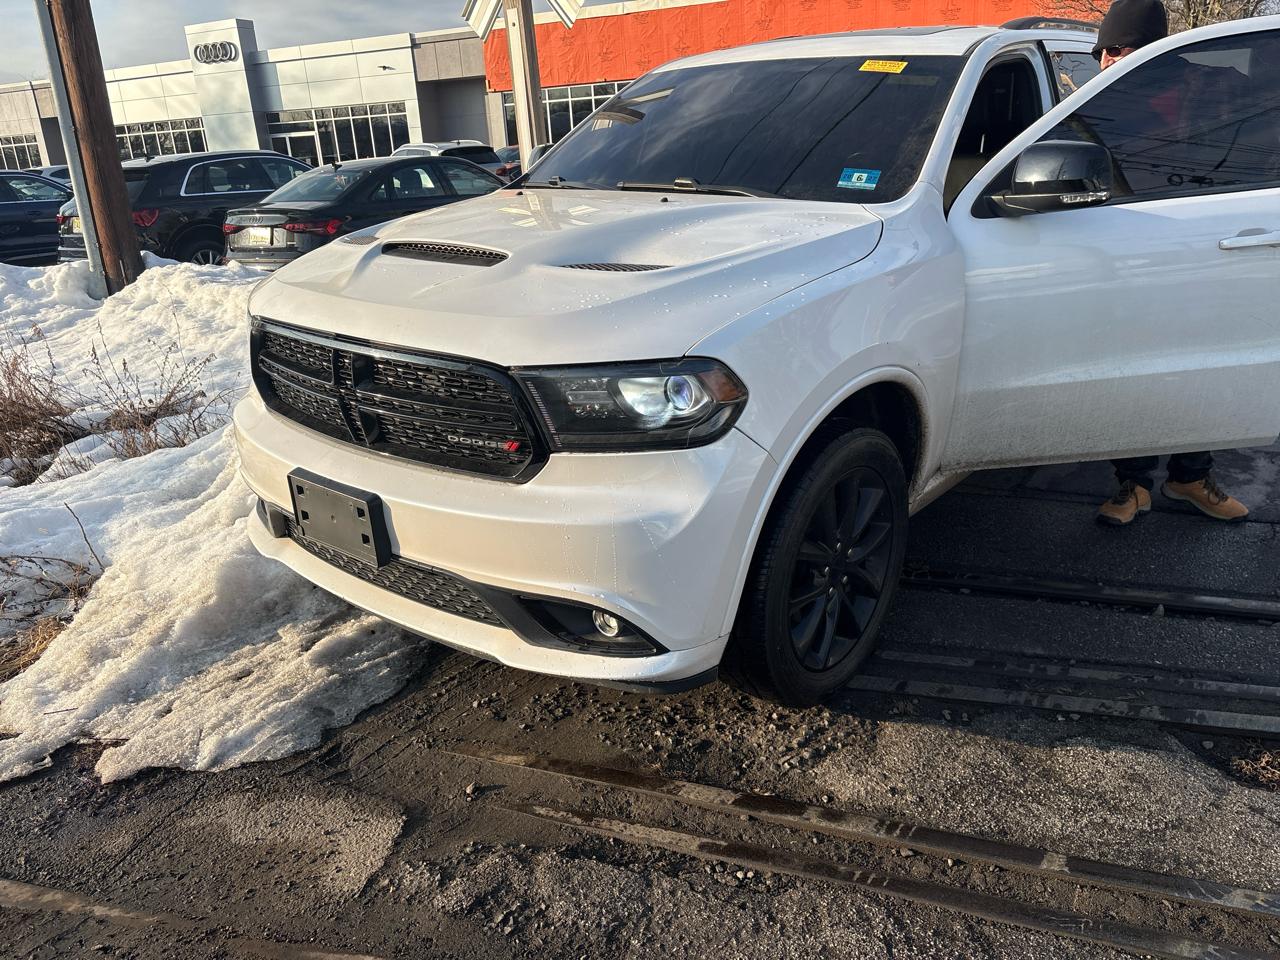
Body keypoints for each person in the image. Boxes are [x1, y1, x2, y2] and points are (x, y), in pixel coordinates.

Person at [1090, 0, 1250, 527]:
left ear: (1153, 48)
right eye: (1101, 51)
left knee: (1199, 369)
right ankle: (1133, 484)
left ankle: (1191, 477)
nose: (1107, 60)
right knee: (1132, 369)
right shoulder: (1099, 101)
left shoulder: (1217, 91)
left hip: (1204, 251)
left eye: (1119, 49)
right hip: (1129, 257)